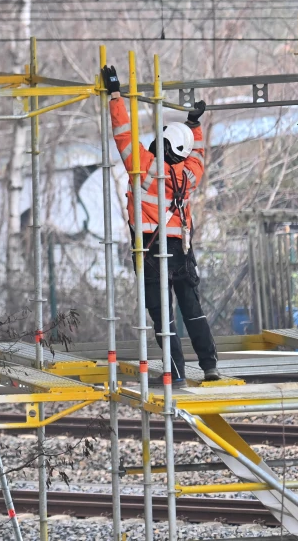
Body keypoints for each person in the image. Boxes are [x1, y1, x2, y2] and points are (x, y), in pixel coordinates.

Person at [102, 64, 220, 383]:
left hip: (151, 249)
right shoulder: (191, 175)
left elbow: (123, 133)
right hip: (182, 248)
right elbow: (199, 153)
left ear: (164, 144)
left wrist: (115, 95)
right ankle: (210, 365)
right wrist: (194, 124)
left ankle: (176, 373)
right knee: (191, 306)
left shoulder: (146, 168)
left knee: (162, 315)